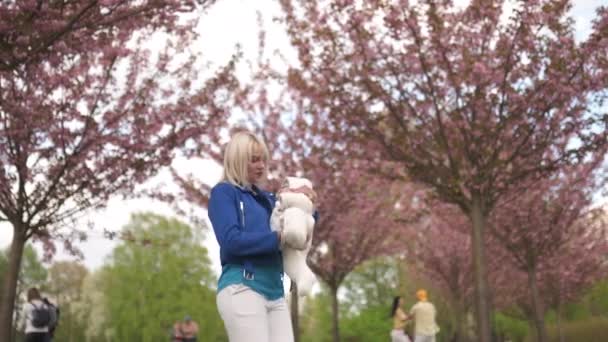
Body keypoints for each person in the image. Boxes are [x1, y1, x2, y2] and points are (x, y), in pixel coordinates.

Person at [208, 131, 317, 342]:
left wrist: (307, 203)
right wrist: (277, 238)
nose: (261, 166)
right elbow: (231, 242)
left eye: (263, 160)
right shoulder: (224, 193)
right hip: (242, 287)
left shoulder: (267, 200)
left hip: (275, 292)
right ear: (238, 159)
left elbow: (297, 229)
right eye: (254, 159)